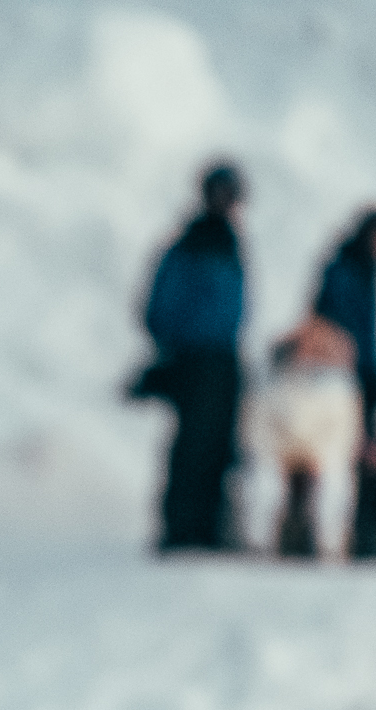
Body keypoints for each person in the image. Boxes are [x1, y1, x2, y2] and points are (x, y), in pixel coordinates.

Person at [140, 161, 249, 552]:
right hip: (194, 360)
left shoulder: (230, 244)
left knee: (221, 447)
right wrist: (176, 348)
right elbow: (158, 307)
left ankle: (210, 528)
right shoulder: (189, 245)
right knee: (192, 447)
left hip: (223, 360)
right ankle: (181, 529)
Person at [249, 317, 365, 558]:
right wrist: (278, 456)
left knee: (336, 480)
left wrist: (319, 458)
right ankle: (259, 544)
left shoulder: (340, 387)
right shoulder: (271, 383)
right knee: (264, 480)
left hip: (322, 456)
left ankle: (330, 545)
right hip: (279, 454)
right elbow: (257, 427)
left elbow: (345, 433)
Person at [313, 208, 376, 440]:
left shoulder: (368, 272)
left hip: (356, 376)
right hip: (339, 376)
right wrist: (365, 375)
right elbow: (340, 326)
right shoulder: (347, 270)